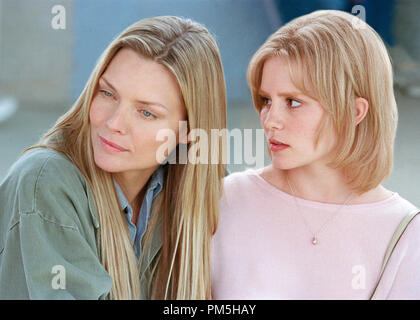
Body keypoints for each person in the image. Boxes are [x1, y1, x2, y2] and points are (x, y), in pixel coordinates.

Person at [0, 16, 227, 299]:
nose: (113, 122)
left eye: (146, 113)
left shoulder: (205, 188)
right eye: (107, 93)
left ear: (188, 131)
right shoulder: (45, 183)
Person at [211, 10, 419, 299]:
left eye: (293, 102)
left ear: (355, 111)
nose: (270, 119)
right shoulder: (225, 201)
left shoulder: (406, 233)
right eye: (266, 100)